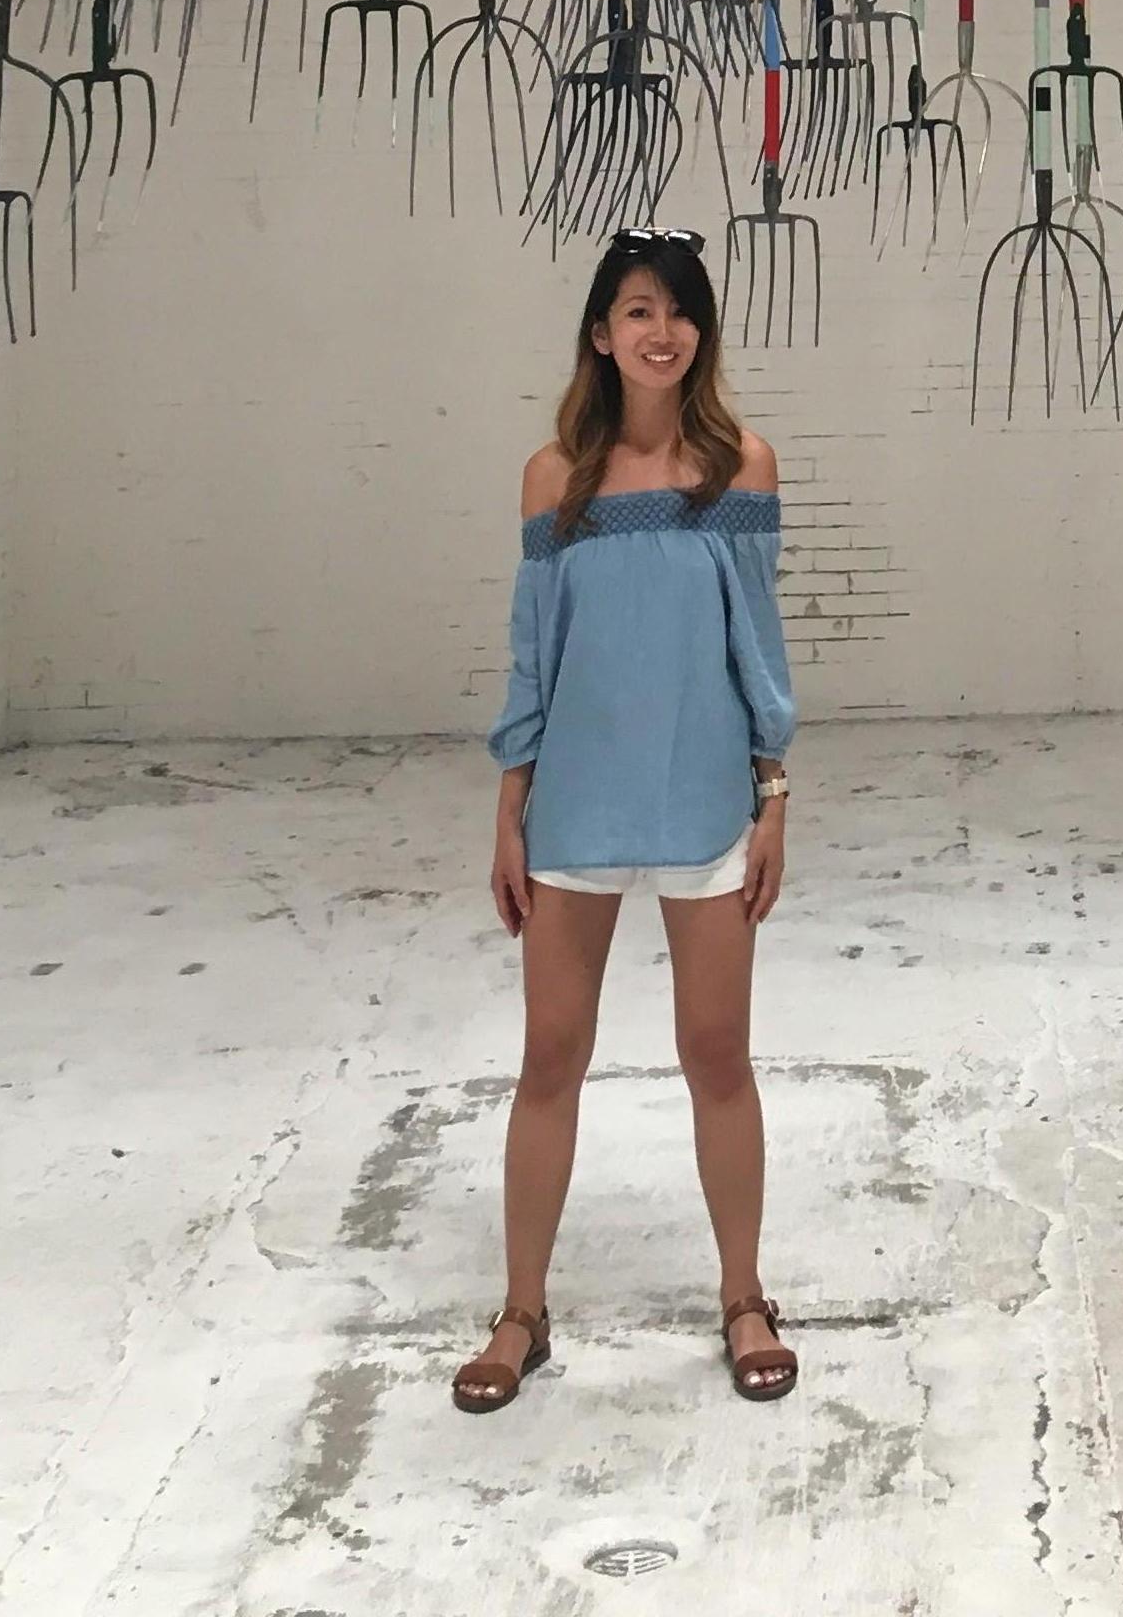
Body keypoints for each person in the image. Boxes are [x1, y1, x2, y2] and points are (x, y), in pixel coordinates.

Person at [451, 226, 803, 1413]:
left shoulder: (738, 469)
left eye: (681, 311)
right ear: (601, 332)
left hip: (704, 802)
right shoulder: (553, 478)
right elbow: (534, 657)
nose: (663, 331)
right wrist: (510, 809)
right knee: (551, 1056)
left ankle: (744, 1295)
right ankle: (521, 1312)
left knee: (718, 1055)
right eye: (639, 310)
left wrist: (772, 795)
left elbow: (758, 647)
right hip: (577, 807)